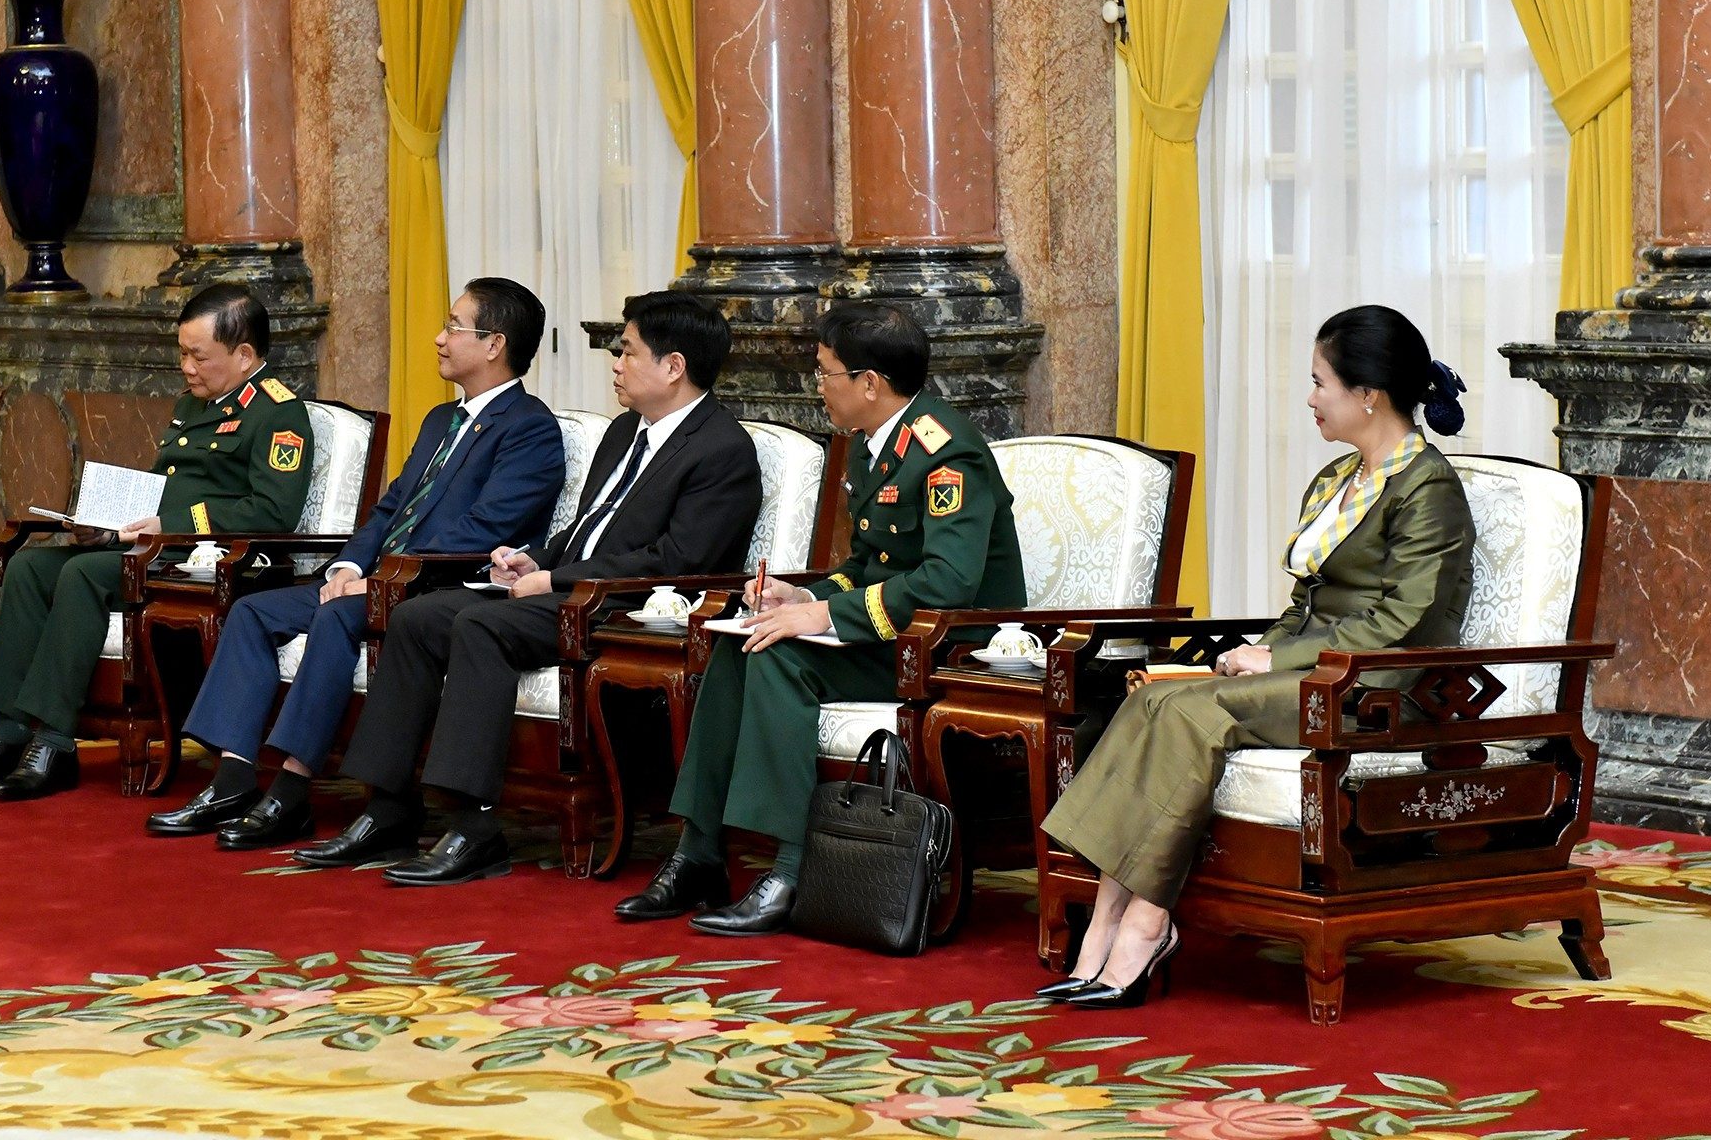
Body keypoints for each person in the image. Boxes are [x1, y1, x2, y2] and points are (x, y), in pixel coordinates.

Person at [1035, 305, 1474, 1010]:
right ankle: (1106, 924)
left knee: (1189, 718)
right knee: (1150, 697)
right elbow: (1307, 600)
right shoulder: (1338, 480)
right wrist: (1262, 649)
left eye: (1319, 383)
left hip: (1377, 685)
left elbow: (1402, 621)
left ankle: (1144, 924)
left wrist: (1282, 661)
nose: (1309, 399)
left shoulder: (1429, 490)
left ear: (1368, 395)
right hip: (1311, 669)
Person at [290, 291, 763, 882]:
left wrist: (554, 578)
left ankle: (474, 826)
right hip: (568, 588)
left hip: (626, 607)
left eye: (628, 352)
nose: (615, 363)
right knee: (419, 615)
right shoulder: (624, 432)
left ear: (673, 367)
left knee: (480, 624)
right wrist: (528, 559)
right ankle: (389, 808)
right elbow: (588, 528)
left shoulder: (723, 449)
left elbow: (679, 558)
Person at [614, 302, 1027, 936]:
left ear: (870, 383)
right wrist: (798, 600)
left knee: (780, 656)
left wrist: (824, 617)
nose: (819, 386)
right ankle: (697, 854)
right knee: (743, 641)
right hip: (888, 632)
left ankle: (791, 869)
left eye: (826, 373)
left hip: (946, 647)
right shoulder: (873, 444)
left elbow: (949, 583)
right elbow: (866, 563)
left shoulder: (948, 453)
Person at [144, 278, 566, 848]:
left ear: (494, 344)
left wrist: (384, 573)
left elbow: (490, 527)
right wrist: (349, 564)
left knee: (338, 617)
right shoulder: (443, 421)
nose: (439, 338)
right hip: (379, 577)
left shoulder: (529, 428)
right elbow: (391, 506)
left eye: (453, 327)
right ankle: (233, 778)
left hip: (438, 588)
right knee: (252, 612)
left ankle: (291, 792)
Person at [0, 284, 316, 801]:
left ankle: (54, 743)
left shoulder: (278, 413)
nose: (187, 367)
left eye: (199, 356)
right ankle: (7, 733)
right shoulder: (193, 404)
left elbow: (272, 512)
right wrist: (107, 525)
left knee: (82, 574)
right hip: (155, 545)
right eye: (182, 353)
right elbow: (164, 486)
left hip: (207, 559)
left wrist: (167, 524)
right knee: (29, 569)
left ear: (244, 355)